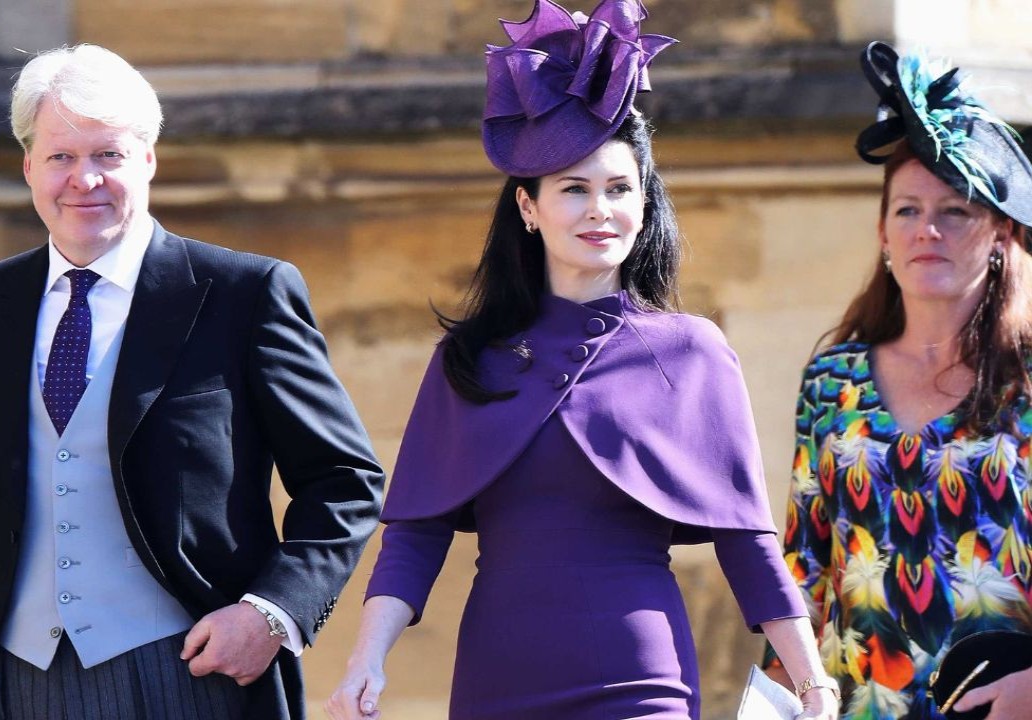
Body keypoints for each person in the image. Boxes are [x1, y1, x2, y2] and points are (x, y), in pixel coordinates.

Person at [326, 1, 840, 718]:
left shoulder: (692, 352)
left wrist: (810, 677)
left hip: (640, 680)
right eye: (574, 189)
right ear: (529, 209)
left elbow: (746, 540)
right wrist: (363, 662)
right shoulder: (468, 360)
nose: (601, 210)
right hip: (497, 682)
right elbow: (414, 534)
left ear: (643, 203)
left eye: (619, 189)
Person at [0, 44, 385, 720]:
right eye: (61, 156)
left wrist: (270, 614)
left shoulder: (244, 293)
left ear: (148, 160)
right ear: (29, 166)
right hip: (8, 681)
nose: (83, 180)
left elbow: (345, 479)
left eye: (108, 155)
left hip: (183, 675)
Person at [764, 42, 1032, 720]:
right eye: (907, 210)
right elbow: (803, 573)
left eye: (956, 212)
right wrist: (772, 704)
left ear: (1001, 235)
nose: (928, 231)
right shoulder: (833, 382)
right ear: (883, 233)